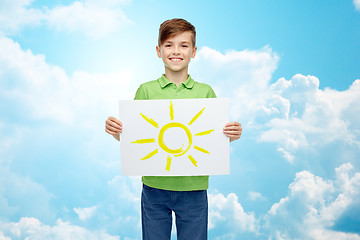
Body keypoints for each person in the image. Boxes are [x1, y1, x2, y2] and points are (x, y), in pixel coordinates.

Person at [105, 18, 242, 240]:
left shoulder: (205, 92)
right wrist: (116, 132)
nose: (176, 51)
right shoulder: (146, 91)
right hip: (154, 187)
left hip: (194, 188)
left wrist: (231, 135)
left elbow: (213, 138)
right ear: (159, 51)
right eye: (169, 45)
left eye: (184, 45)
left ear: (194, 51)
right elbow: (136, 139)